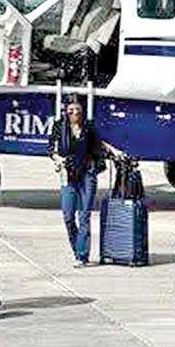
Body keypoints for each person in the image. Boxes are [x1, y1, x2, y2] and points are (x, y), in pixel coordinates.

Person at [48, 96, 109, 268]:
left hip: (86, 175)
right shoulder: (60, 127)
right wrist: (57, 158)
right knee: (68, 216)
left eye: (78, 111)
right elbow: (51, 148)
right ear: (66, 113)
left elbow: (99, 146)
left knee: (84, 215)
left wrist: (112, 154)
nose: (75, 114)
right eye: (71, 111)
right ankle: (77, 247)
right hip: (68, 174)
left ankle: (82, 255)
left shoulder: (89, 129)